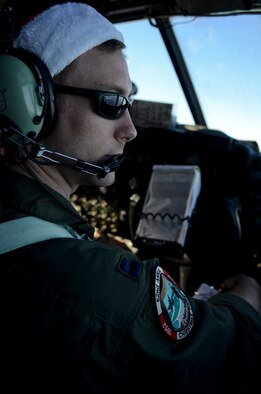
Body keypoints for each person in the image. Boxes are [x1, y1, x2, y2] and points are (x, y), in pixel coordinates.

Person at [0, 2, 260, 393]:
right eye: (110, 103)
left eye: (130, 103)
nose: (130, 129)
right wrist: (248, 293)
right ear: (31, 105)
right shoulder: (86, 283)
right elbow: (220, 354)